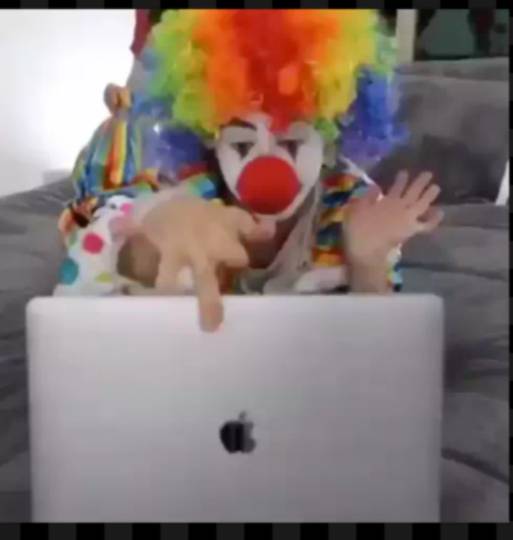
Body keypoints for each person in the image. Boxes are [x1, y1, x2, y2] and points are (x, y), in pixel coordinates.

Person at [54, 9, 443, 332]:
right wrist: (148, 240)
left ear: (329, 143)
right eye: (241, 144)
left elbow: (377, 361)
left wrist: (367, 262)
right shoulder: (185, 194)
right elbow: (92, 234)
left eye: (293, 143)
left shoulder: (355, 207)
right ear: (210, 140)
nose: (267, 164)